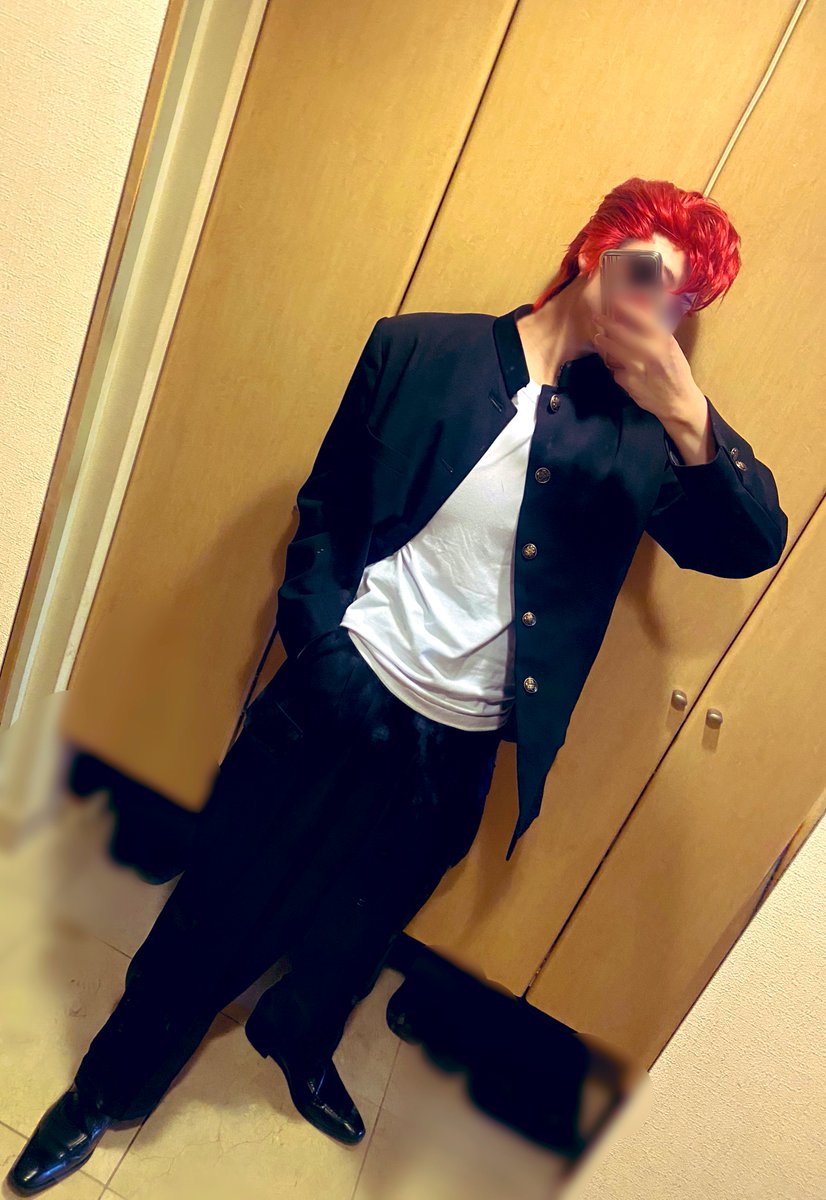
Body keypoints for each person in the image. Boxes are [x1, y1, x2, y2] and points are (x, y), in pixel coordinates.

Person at [8, 177, 787, 1195]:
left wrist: (685, 407)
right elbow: (327, 508)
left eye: (682, 303)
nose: (659, 310)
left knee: (364, 919)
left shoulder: (643, 436)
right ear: (594, 251)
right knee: (219, 903)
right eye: (648, 275)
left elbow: (747, 543)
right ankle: (106, 1087)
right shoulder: (422, 351)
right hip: (340, 694)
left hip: (459, 744)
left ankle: (297, 1039)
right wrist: (320, 651)